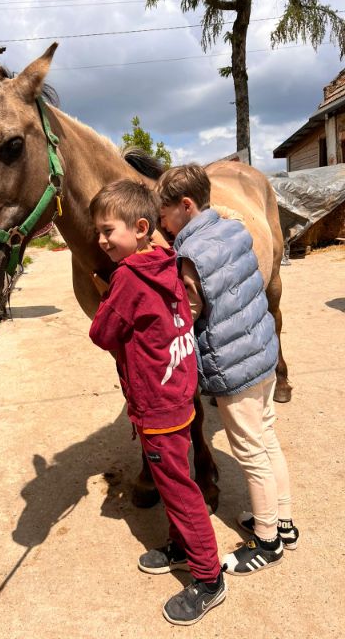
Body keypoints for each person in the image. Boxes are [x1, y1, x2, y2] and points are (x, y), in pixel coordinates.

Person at [88, 179, 226, 626]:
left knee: (179, 491)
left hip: (158, 406)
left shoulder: (128, 277)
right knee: (174, 481)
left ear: (141, 227)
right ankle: (181, 547)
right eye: (97, 232)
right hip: (180, 395)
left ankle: (208, 577)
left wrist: (106, 293)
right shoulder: (166, 261)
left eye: (108, 230)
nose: (101, 240)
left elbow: (101, 333)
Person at [156, 163, 299, 577]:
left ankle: (267, 542)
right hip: (262, 354)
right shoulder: (235, 228)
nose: (163, 226)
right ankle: (283, 523)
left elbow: (187, 313)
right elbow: (230, 221)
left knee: (250, 452)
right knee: (266, 437)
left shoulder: (189, 258)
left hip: (234, 368)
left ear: (186, 206)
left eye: (165, 215)